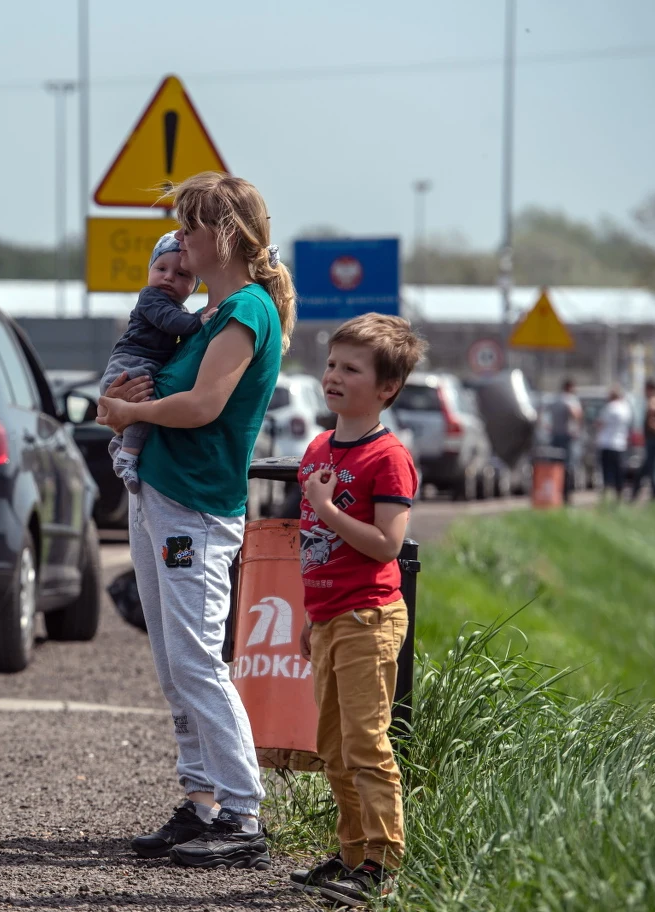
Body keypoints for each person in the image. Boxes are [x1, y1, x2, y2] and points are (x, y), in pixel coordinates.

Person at [96, 172, 291, 870]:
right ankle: (201, 800)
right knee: (174, 663)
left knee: (198, 662)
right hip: (160, 496)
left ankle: (241, 814)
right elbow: (152, 389)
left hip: (197, 507)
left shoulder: (245, 312)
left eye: (190, 228)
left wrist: (132, 415)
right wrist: (117, 403)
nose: (180, 240)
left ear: (226, 236)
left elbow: (204, 406)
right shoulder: (208, 312)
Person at [288, 313, 425, 907]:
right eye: (332, 364)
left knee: (367, 744)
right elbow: (315, 546)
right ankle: (350, 856)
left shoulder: (387, 457)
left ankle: (384, 862)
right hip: (329, 619)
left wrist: (329, 505)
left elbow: (387, 543)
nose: (334, 376)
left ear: (387, 388)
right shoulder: (319, 446)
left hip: (369, 617)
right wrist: (309, 617)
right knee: (334, 748)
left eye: (351, 368)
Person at [99, 232, 203, 493]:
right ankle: (128, 457)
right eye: (161, 268)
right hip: (130, 363)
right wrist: (200, 322)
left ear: (194, 285)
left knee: (145, 409)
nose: (169, 277)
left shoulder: (180, 311)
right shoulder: (151, 298)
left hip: (146, 364)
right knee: (145, 407)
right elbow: (169, 321)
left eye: (182, 275)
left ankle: (121, 446)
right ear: (149, 272)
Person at [545, 378, 584, 504]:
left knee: (556, 466)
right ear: (569, 387)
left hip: (555, 436)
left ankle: (555, 493)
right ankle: (567, 495)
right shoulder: (569, 399)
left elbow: (546, 419)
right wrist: (578, 423)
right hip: (567, 438)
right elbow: (575, 413)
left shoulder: (555, 400)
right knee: (568, 466)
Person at [631, 381, 655, 501]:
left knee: (654, 469)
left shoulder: (654, 399)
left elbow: (653, 412)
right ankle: (637, 492)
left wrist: (651, 423)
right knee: (649, 468)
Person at [595, 385, 632, 503]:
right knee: (619, 471)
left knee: (607, 471)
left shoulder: (609, 408)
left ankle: (606, 494)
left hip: (607, 443)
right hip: (620, 444)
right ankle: (619, 494)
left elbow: (600, 423)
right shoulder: (626, 408)